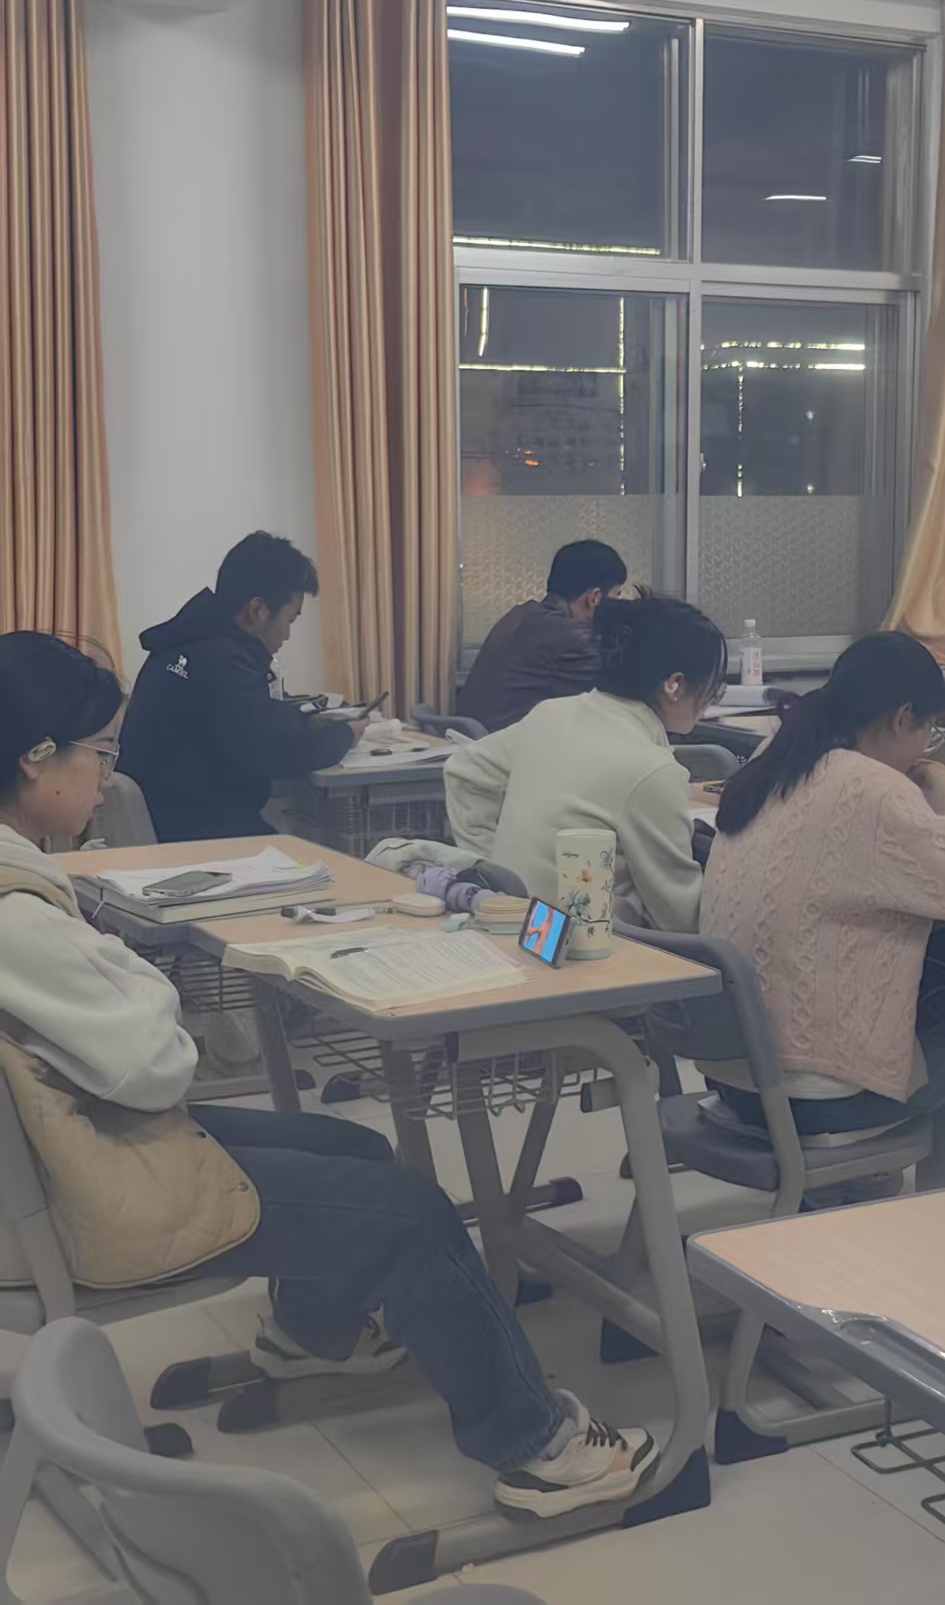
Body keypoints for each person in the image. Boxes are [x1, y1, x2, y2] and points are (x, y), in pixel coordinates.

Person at [0, 631, 656, 1518]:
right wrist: (138, 979)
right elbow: (156, 1066)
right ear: (37, 761)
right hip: (69, 1193)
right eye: (101, 755)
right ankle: (539, 1448)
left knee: (351, 1148)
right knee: (411, 1212)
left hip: (57, 1153)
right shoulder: (18, 915)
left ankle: (310, 1337)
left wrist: (116, 972)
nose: (106, 779)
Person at [701, 631, 945, 1188]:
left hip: (733, 1078)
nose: (927, 749)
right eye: (931, 732)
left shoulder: (774, 761)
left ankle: (860, 1200)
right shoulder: (876, 791)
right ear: (903, 718)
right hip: (813, 1096)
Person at [447, 593, 725, 932]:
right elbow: (681, 916)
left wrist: (498, 868)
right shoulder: (651, 770)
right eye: (713, 689)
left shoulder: (552, 714)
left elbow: (464, 769)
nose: (710, 702)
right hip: (588, 942)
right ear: (675, 684)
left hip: (516, 923)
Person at [119, 533, 360, 842]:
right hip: (199, 842)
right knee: (324, 849)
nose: (287, 635)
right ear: (258, 610)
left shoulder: (183, 645)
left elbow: (257, 722)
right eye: (290, 619)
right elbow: (285, 751)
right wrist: (347, 733)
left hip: (175, 826)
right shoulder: (220, 662)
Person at [458, 540, 628, 732]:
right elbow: (629, 682)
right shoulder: (571, 636)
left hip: (478, 738)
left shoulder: (521, 615)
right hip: (507, 743)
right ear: (595, 598)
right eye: (616, 596)